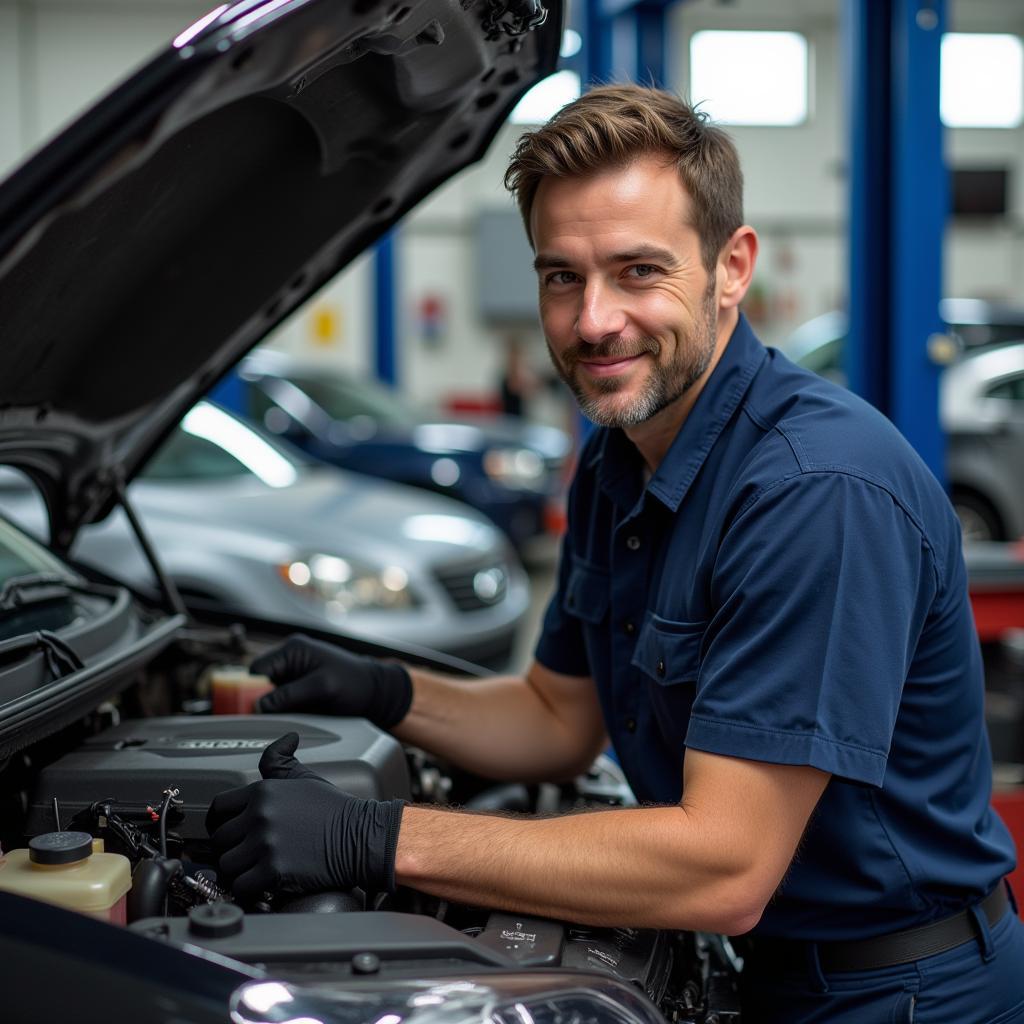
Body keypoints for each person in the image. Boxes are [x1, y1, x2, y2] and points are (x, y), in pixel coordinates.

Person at [206, 85, 1024, 1022]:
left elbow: (725, 864)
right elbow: (559, 718)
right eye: (563, 277)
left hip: (901, 993)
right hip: (778, 973)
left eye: (639, 271)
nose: (594, 321)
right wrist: (389, 692)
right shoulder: (618, 458)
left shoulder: (813, 488)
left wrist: (372, 837)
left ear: (732, 266)